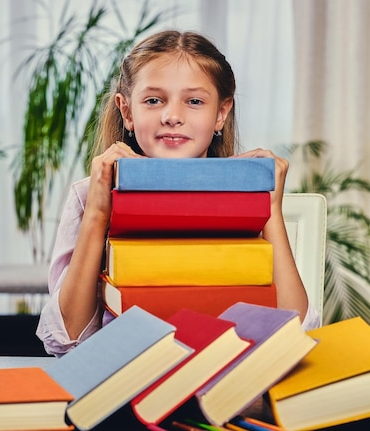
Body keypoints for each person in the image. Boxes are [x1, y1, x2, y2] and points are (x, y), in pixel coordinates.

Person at [37, 30, 320, 357]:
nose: (172, 116)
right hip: (123, 380)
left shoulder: (247, 196)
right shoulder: (88, 195)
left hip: (226, 379)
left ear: (221, 113)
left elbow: (296, 331)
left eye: (195, 101)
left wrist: (267, 206)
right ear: (127, 111)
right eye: (154, 100)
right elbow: (67, 340)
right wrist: (99, 212)